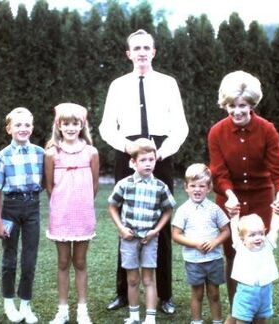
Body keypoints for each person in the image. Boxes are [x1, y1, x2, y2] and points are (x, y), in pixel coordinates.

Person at [99, 28, 188, 314]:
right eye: (136, 48)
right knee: (127, 222)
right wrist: (128, 148)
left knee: (159, 222)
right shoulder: (118, 85)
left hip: (160, 154)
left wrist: (159, 153)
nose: (141, 52)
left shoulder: (168, 83)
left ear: (154, 52)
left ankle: (165, 295)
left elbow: (180, 127)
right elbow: (105, 127)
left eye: (146, 48)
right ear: (128, 53)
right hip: (127, 152)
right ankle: (123, 293)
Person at [207, 70, 279, 321]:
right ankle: (238, 311)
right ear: (225, 105)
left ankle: (258, 309)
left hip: (260, 200)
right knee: (232, 256)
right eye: (231, 106)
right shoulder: (216, 132)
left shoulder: (267, 130)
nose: (237, 111)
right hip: (230, 201)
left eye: (242, 105)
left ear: (252, 104)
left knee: (259, 250)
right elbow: (219, 173)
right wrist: (230, 195)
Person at [107, 138, 177, 324]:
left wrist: (156, 231)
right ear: (133, 162)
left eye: (151, 160)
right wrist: (121, 229)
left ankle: (150, 318)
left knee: (148, 278)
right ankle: (134, 315)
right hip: (129, 238)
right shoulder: (124, 184)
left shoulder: (160, 187)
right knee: (132, 279)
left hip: (149, 238)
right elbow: (112, 206)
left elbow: (168, 209)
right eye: (143, 160)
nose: (148, 164)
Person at [0, 107, 44, 324]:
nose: (23, 129)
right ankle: (9, 301)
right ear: (9, 129)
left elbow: (47, 182)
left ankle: (26, 304)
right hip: (10, 209)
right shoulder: (3, 156)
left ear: (32, 127)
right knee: (9, 259)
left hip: (32, 209)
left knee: (29, 259)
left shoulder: (40, 153)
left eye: (27, 125)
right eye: (18, 125)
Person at [44, 103, 100, 324]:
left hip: (83, 214)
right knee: (63, 261)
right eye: (65, 123)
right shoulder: (51, 153)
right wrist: (61, 204)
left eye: (75, 123)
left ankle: (82, 309)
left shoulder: (91, 152)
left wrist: (82, 203)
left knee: (80, 261)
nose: (70, 128)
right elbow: (49, 187)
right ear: (58, 125)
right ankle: (62, 309)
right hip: (61, 215)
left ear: (82, 125)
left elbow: (94, 185)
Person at [171, 163, 230, 324]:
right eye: (193, 186)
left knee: (214, 293)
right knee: (197, 294)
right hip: (194, 261)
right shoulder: (183, 210)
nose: (197, 189)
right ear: (186, 187)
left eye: (202, 186)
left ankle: (217, 321)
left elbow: (226, 231)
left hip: (214, 259)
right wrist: (195, 244)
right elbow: (175, 235)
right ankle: (196, 321)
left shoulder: (215, 209)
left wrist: (215, 242)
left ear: (209, 187)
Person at [229, 212, 279, 323]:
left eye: (261, 233)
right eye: (252, 235)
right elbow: (234, 230)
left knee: (261, 319)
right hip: (246, 293)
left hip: (265, 292)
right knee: (242, 319)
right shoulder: (240, 247)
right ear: (242, 238)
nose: (258, 238)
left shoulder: (268, 245)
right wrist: (234, 216)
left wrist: (276, 214)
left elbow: (274, 230)